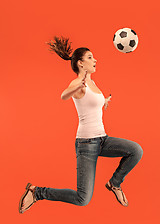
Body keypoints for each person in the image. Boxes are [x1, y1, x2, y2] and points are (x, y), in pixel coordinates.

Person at [19, 36, 143, 214]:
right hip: (86, 144)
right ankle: (37, 192)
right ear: (80, 63)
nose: (95, 60)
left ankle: (114, 183)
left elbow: (90, 103)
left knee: (136, 150)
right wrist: (75, 88)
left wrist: (103, 101)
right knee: (82, 199)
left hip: (103, 140)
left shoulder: (91, 82)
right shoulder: (79, 83)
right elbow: (63, 95)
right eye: (90, 57)